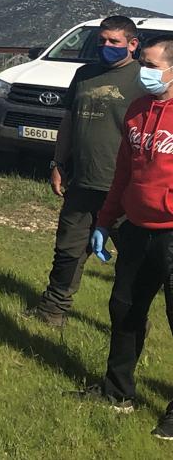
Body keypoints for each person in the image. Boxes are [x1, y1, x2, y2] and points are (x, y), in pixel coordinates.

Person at [78, 33, 173, 438]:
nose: (145, 74)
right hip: (135, 229)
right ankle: (117, 392)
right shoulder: (137, 110)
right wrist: (104, 220)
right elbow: (122, 174)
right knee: (125, 309)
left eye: (151, 66)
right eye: (144, 66)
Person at [25, 15, 144, 327]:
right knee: (68, 251)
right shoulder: (84, 74)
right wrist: (58, 164)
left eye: (114, 42)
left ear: (132, 44)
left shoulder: (143, 79)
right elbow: (68, 122)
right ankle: (52, 311)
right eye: (102, 40)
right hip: (82, 183)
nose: (106, 46)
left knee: (133, 261)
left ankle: (132, 323)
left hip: (124, 189)